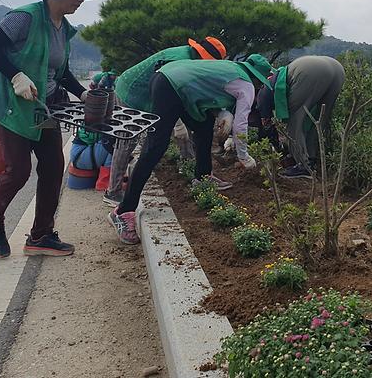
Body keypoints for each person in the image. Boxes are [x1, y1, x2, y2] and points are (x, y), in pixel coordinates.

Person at [0, 0, 102, 258]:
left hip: (43, 109)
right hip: (13, 106)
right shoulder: (25, 17)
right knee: (18, 171)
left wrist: (81, 92)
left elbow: (61, 70)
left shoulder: (64, 29)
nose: (81, 0)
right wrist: (16, 76)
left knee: (53, 166)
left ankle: (41, 235)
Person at [108, 54, 273, 245]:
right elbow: (241, 124)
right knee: (156, 145)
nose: (260, 87)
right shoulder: (246, 85)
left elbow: (207, 92)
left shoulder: (231, 69)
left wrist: (223, 113)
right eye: (260, 84)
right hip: (170, 87)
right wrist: (244, 156)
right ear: (256, 79)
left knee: (203, 126)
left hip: (166, 78)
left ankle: (203, 177)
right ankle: (123, 211)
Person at [102, 37, 227, 206]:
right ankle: (113, 192)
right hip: (131, 91)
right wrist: (178, 124)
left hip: (152, 95)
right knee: (127, 140)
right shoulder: (178, 59)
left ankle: (200, 174)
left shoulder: (193, 61)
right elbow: (164, 92)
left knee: (201, 125)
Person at [256, 55, 345, 178]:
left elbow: (267, 124)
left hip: (309, 72)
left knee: (295, 120)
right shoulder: (278, 74)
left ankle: (304, 165)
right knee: (319, 119)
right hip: (336, 68)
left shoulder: (263, 92)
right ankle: (312, 158)